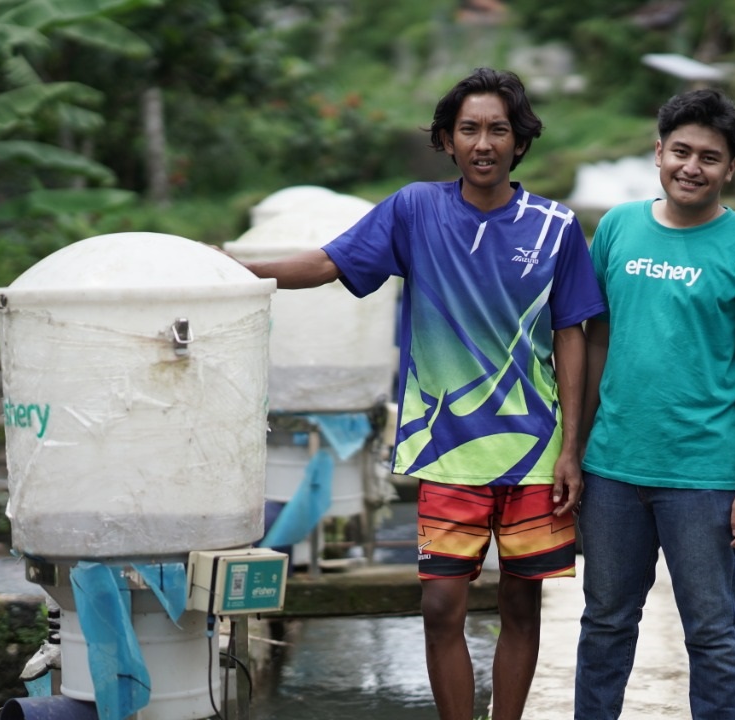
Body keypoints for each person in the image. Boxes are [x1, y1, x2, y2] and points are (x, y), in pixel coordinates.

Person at [237, 68, 604, 720]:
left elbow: (571, 336)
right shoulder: (414, 210)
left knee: (522, 604)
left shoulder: (555, 227)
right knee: (440, 606)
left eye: (498, 129)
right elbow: (326, 263)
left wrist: (573, 449)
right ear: (446, 140)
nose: (484, 143)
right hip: (446, 446)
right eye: (469, 129)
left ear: (520, 141)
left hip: (535, 450)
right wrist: (235, 269)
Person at [574, 88, 735, 720]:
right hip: (613, 467)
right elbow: (596, 340)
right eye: (681, 151)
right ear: (659, 152)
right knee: (605, 622)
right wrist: (574, 449)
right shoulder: (617, 227)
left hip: (706, 475)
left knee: (712, 631)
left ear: (731, 169)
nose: (692, 167)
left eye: (709, 157)